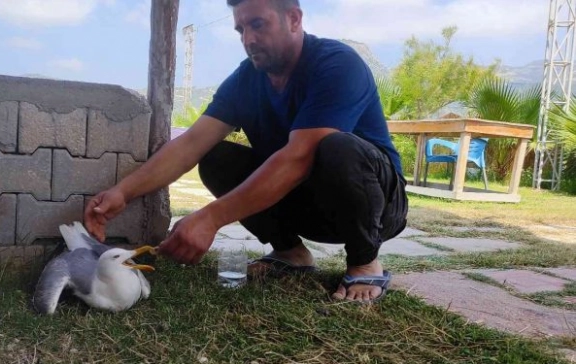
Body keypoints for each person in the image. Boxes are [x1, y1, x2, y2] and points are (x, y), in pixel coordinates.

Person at [84, 0, 408, 303]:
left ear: (293, 19)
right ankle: (290, 253)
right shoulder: (246, 79)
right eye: (241, 30)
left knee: (336, 146)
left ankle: (366, 264)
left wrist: (210, 218)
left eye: (258, 25)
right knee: (215, 158)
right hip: (308, 204)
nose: (249, 39)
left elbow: (299, 157)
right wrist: (122, 193)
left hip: (376, 205)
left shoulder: (336, 63)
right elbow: (191, 143)